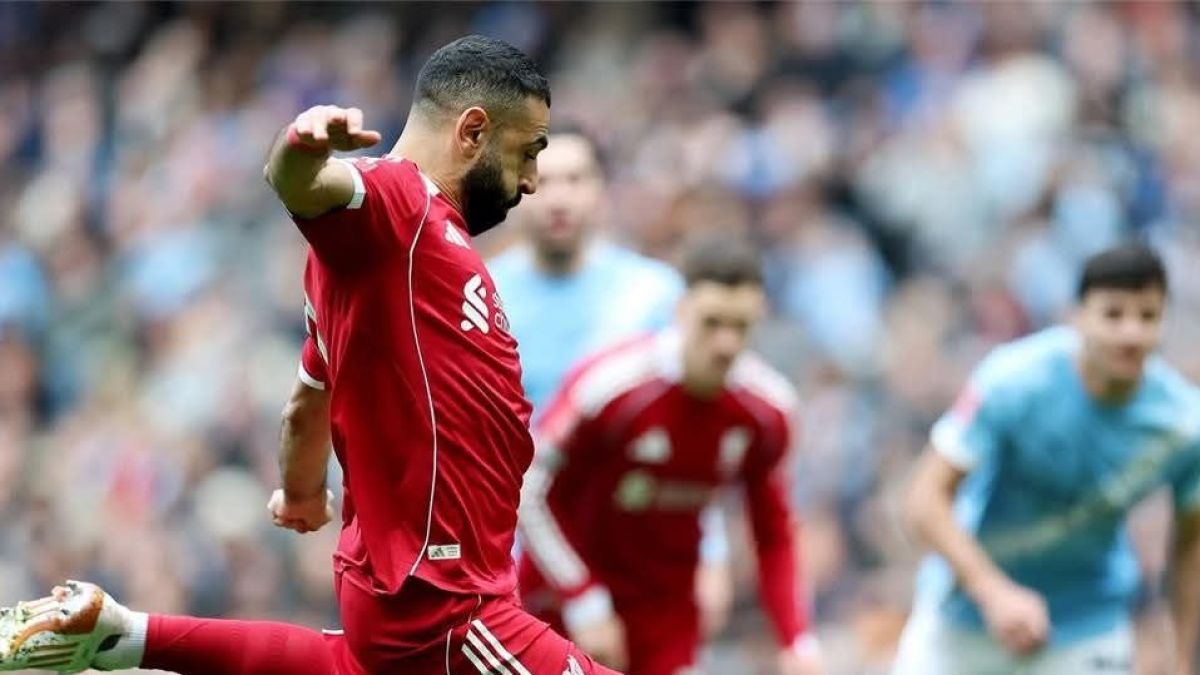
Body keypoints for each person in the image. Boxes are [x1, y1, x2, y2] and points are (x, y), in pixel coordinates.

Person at [0, 35, 621, 675]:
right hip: (449, 603)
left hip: (406, 586)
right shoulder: (400, 207)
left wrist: (301, 492)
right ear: (472, 132)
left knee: (348, 666)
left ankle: (124, 636)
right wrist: (300, 145)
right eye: (528, 153)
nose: (530, 181)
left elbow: (306, 404)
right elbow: (299, 182)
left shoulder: (380, 269)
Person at [516, 235, 824, 675]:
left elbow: (773, 532)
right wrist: (582, 597)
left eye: (740, 327)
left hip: (666, 618)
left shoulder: (767, 411)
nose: (725, 343)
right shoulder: (613, 386)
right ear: (680, 311)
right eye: (712, 323)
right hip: (562, 605)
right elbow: (529, 490)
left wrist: (797, 640)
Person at [894, 242, 1200, 674]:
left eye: (1147, 316)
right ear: (1078, 316)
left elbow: (1191, 546)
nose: (1131, 333)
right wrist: (993, 592)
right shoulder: (1013, 381)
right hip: (964, 622)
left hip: (1087, 629)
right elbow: (923, 501)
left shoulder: (1182, 425)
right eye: (1113, 315)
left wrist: (1183, 658)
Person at [488, 124, 735, 655]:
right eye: (543, 179)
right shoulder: (482, 294)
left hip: (633, 554)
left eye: (575, 179)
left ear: (602, 189)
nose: (559, 198)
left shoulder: (653, 295)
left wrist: (710, 551)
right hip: (511, 559)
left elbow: (695, 432)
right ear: (516, 186)